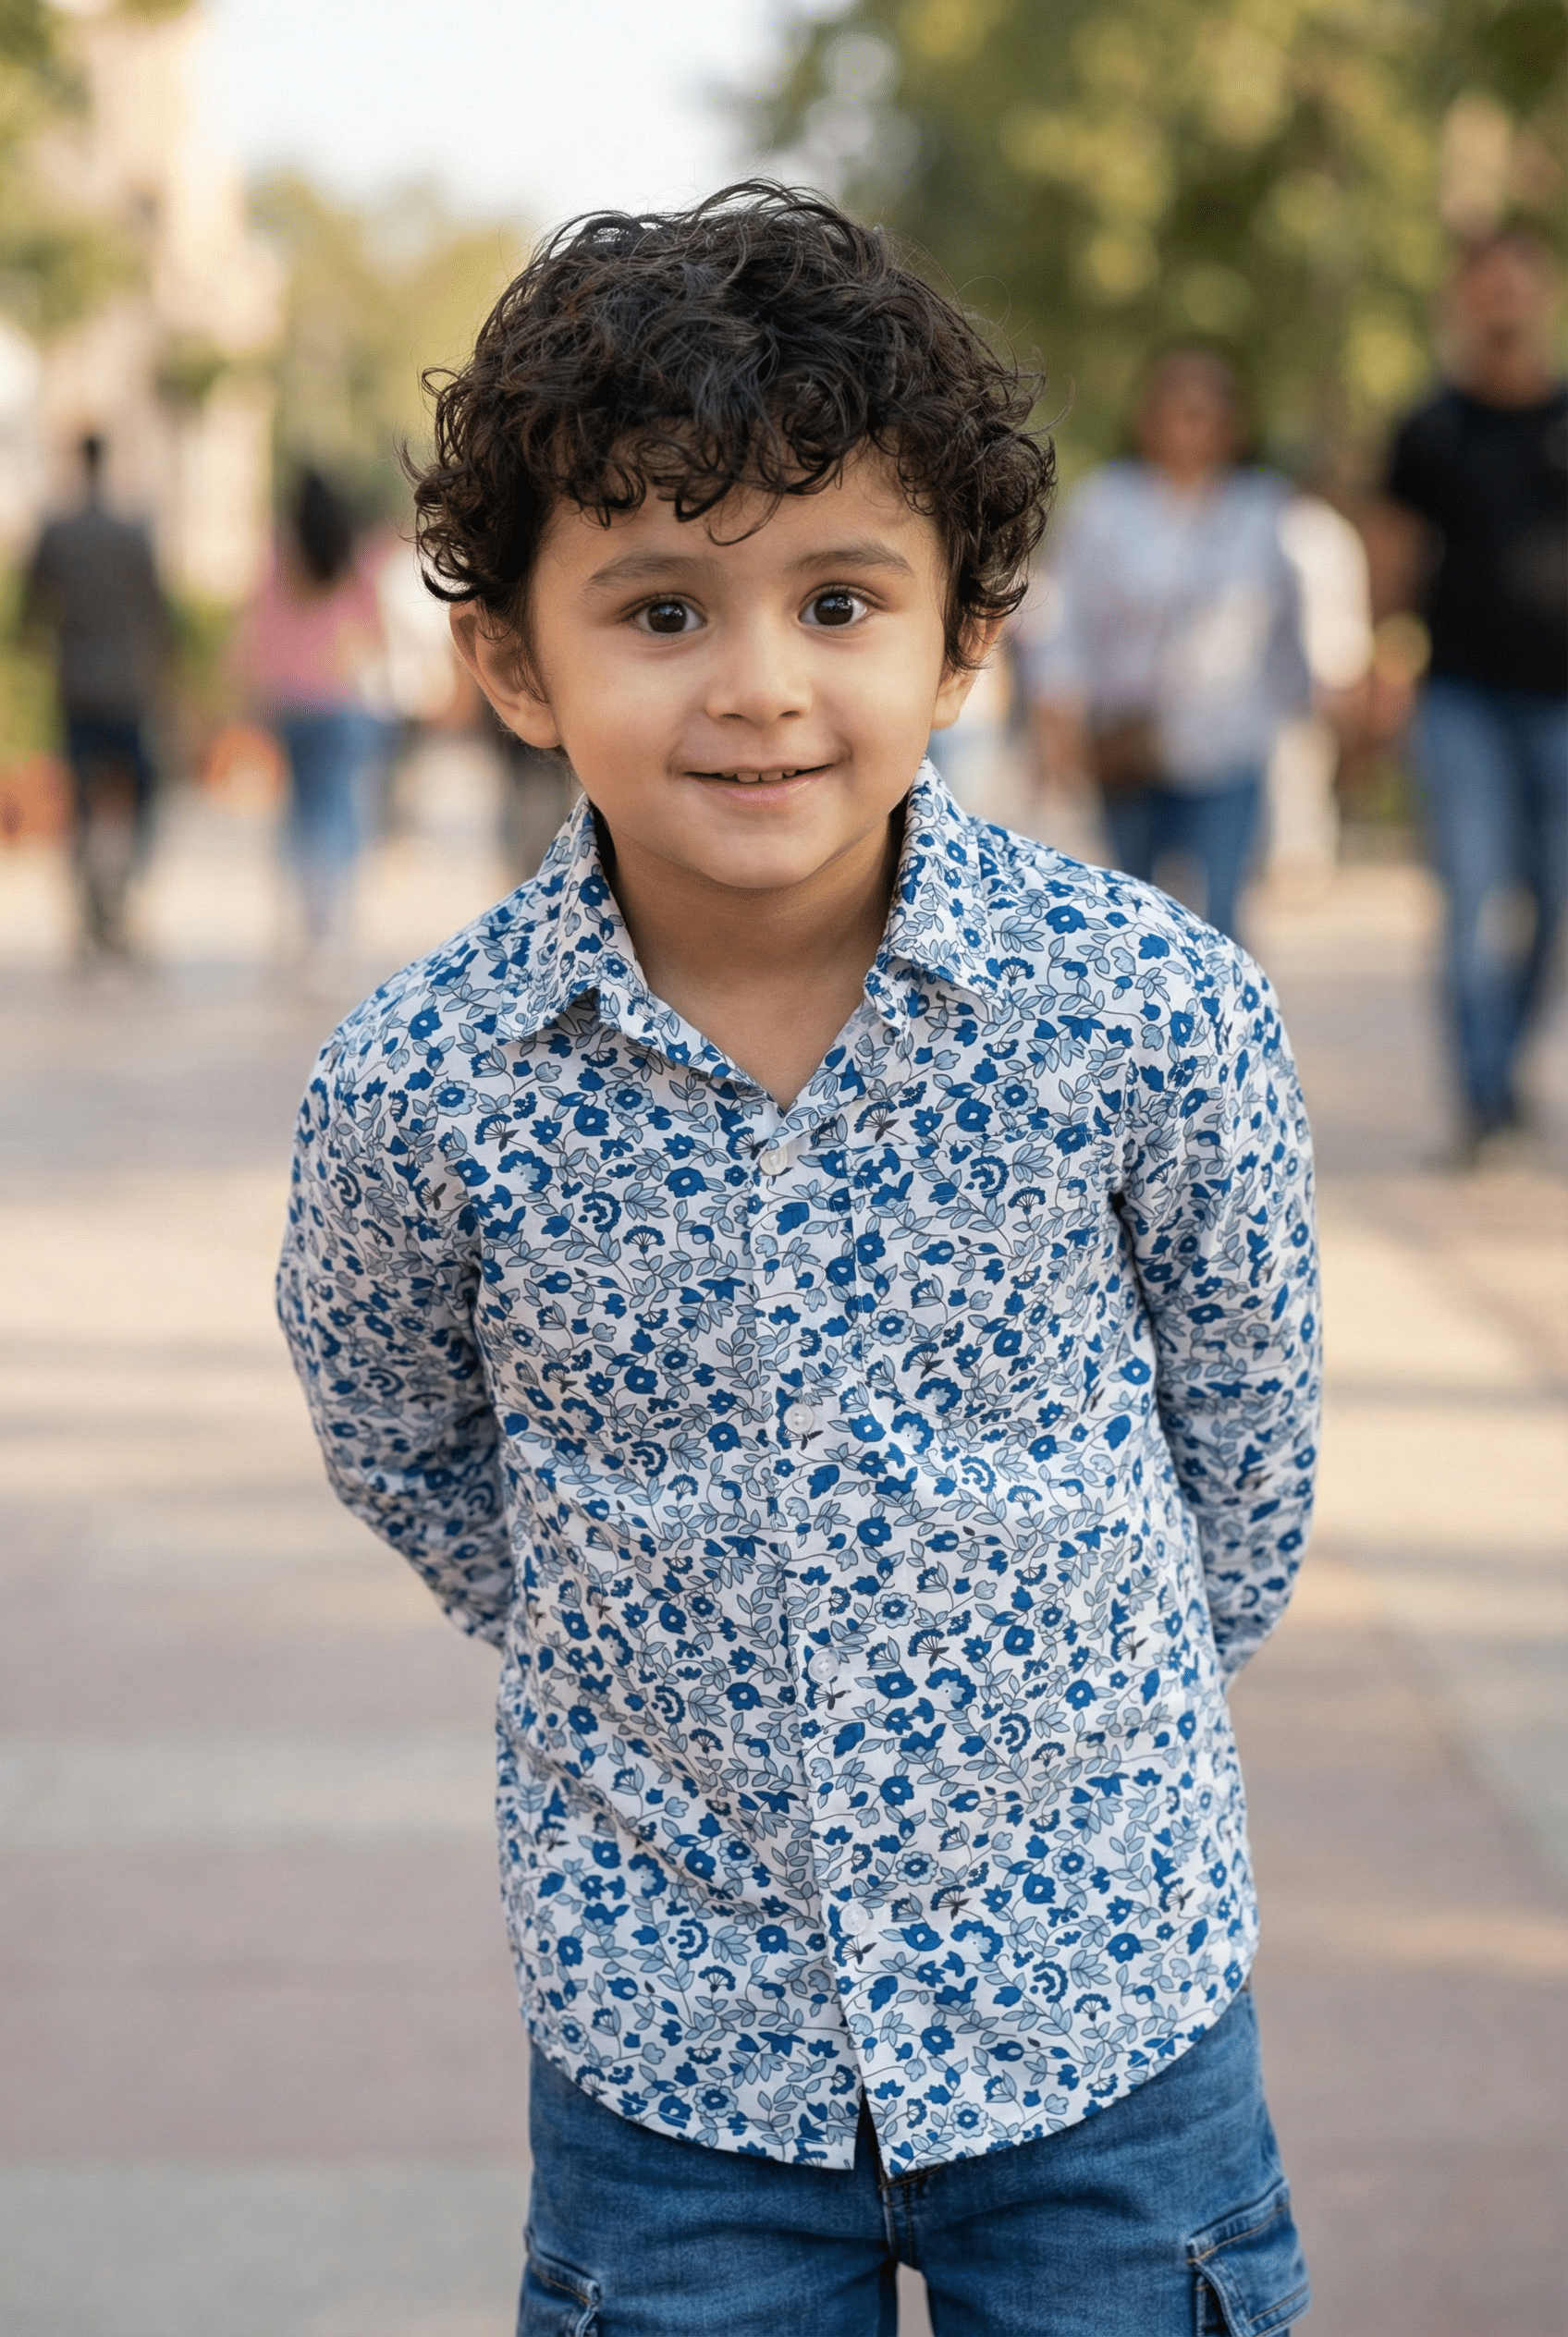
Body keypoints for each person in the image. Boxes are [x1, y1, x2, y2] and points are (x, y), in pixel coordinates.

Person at [278, 186, 1317, 2337]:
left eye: (837, 601)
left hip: (1099, 2003)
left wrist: (1082, 1704)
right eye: (660, 612)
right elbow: (401, 1433)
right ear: (508, 663)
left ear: (959, 641)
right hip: (674, 2050)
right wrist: (614, 1615)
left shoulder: (1143, 1012)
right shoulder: (424, 1087)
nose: (758, 689)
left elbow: (1245, 1432)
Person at [1384, 230, 1568, 1162]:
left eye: (1516, 288)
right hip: (1459, 698)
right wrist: (1377, 665)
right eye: (1483, 290)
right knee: (1466, 901)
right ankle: (1482, 1100)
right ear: (1461, 302)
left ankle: (1506, 1061)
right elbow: (1395, 558)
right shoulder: (1430, 428)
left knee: (1552, 898)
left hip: (1559, 702)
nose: (1501, 306)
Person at [1024, 346, 1311, 941]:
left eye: (1205, 411)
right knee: (1134, 915)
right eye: (1175, 409)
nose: (1189, 426)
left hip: (1228, 745)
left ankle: (1222, 1032)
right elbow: (1059, 613)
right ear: (1146, 418)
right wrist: (1056, 708)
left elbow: (1288, 631)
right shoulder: (1105, 504)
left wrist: (1310, 715)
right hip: (1127, 741)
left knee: (1224, 915)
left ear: (1233, 424)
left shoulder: (1264, 512)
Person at [21, 433, 170, 960]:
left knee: (83, 799)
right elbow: (158, 613)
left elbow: (30, 612)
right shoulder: (133, 533)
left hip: (77, 681)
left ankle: (90, 907)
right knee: (142, 792)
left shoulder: (57, 533)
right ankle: (123, 884)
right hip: (128, 684)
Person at [236, 469, 386, 974]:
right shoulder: (348, 551)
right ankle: (330, 926)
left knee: (299, 810)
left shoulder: (280, 550)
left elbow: (258, 619)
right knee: (338, 809)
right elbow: (372, 626)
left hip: (288, 703)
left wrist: (248, 682)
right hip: (339, 697)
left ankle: (302, 923)